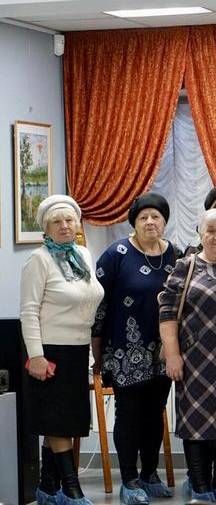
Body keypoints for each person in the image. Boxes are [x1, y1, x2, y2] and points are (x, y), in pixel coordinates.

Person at [159, 209, 216, 503]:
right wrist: (172, 356)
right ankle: (200, 488)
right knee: (195, 424)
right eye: (210, 230)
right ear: (200, 234)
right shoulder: (185, 267)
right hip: (194, 361)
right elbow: (167, 314)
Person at [92, 192, 178, 502]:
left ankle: (149, 474)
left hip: (163, 351)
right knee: (129, 414)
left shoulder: (176, 255)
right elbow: (98, 306)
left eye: (156, 216)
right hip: (124, 351)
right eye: (143, 217)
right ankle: (129, 480)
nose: (150, 222)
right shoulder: (116, 254)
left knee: (155, 412)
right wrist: (98, 355)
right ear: (134, 222)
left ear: (164, 222)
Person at [20, 195, 104, 505]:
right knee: (58, 421)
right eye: (57, 221)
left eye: (69, 220)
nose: (65, 226)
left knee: (65, 420)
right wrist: (36, 356)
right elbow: (29, 311)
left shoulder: (84, 254)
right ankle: (71, 489)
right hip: (49, 351)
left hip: (78, 350)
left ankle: (47, 488)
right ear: (46, 228)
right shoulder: (39, 259)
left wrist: (92, 352)